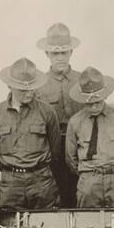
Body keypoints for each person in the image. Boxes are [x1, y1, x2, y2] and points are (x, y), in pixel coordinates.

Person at [0, 57, 67, 210]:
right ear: (10, 86)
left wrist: (39, 170)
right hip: (10, 182)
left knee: (48, 225)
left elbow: (55, 150)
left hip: (42, 181)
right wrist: (9, 170)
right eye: (23, 89)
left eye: (32, 88)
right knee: (8, 227)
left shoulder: (47, 112)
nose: (29, 93)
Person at [64, 67, 114, 207]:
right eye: (89, 103)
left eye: (98, 102)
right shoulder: (75, 122)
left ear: (105, 96)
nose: (94, 107)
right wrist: (88, 176)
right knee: (87, 223)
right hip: (88, 181)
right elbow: (71, 159)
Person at [34, 23, 84, 206]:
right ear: (47, 54)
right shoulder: (39, 85)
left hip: (81, 149)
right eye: (55, 53)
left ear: (71, 52)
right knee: (54, 200)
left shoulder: (83, 80)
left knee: (81, 199)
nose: (60, 57)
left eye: (64, 52)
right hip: (50, 151)